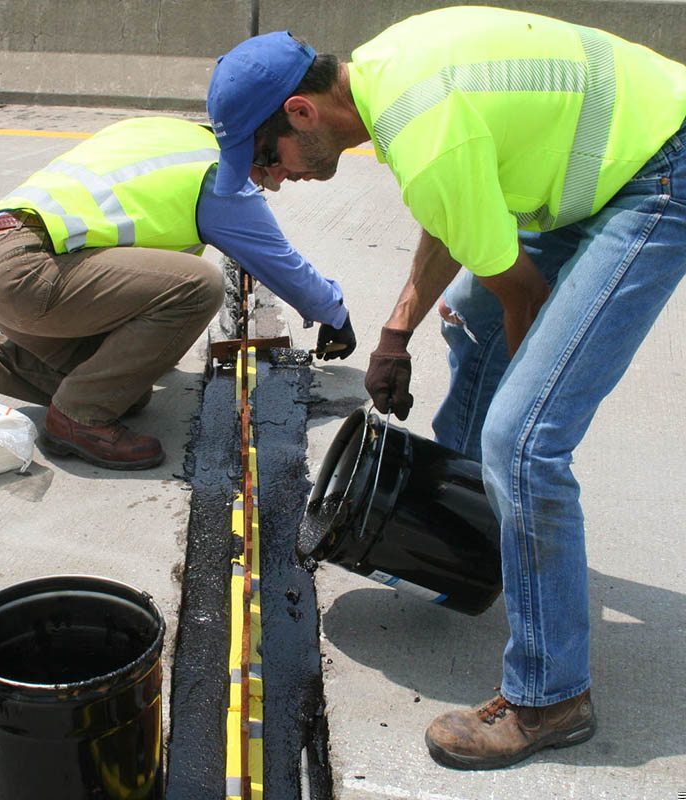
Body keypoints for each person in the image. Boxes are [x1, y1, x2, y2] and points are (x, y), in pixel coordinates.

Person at [206, 7, 686, 769]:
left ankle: (550, 696)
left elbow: (521, 295)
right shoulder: (387, 75)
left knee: (524, 442)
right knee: (469, 320)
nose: (273, 179)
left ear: (300, 111)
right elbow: (457, 210)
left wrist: (526, 413)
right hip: (596, 164)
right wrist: (395, 333)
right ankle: (479, 520)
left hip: (656, 171)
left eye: (268, 158)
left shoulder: (420, 128)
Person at [0, 115, 356, 470]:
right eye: (275, 167)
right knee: (199, 286)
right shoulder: (220, 179)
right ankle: (77, 419)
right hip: (32, 276)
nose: (275, 181)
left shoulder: (164, 133)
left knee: (126, 391)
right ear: (258, 141)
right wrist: (333, 313)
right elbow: (278, 261)